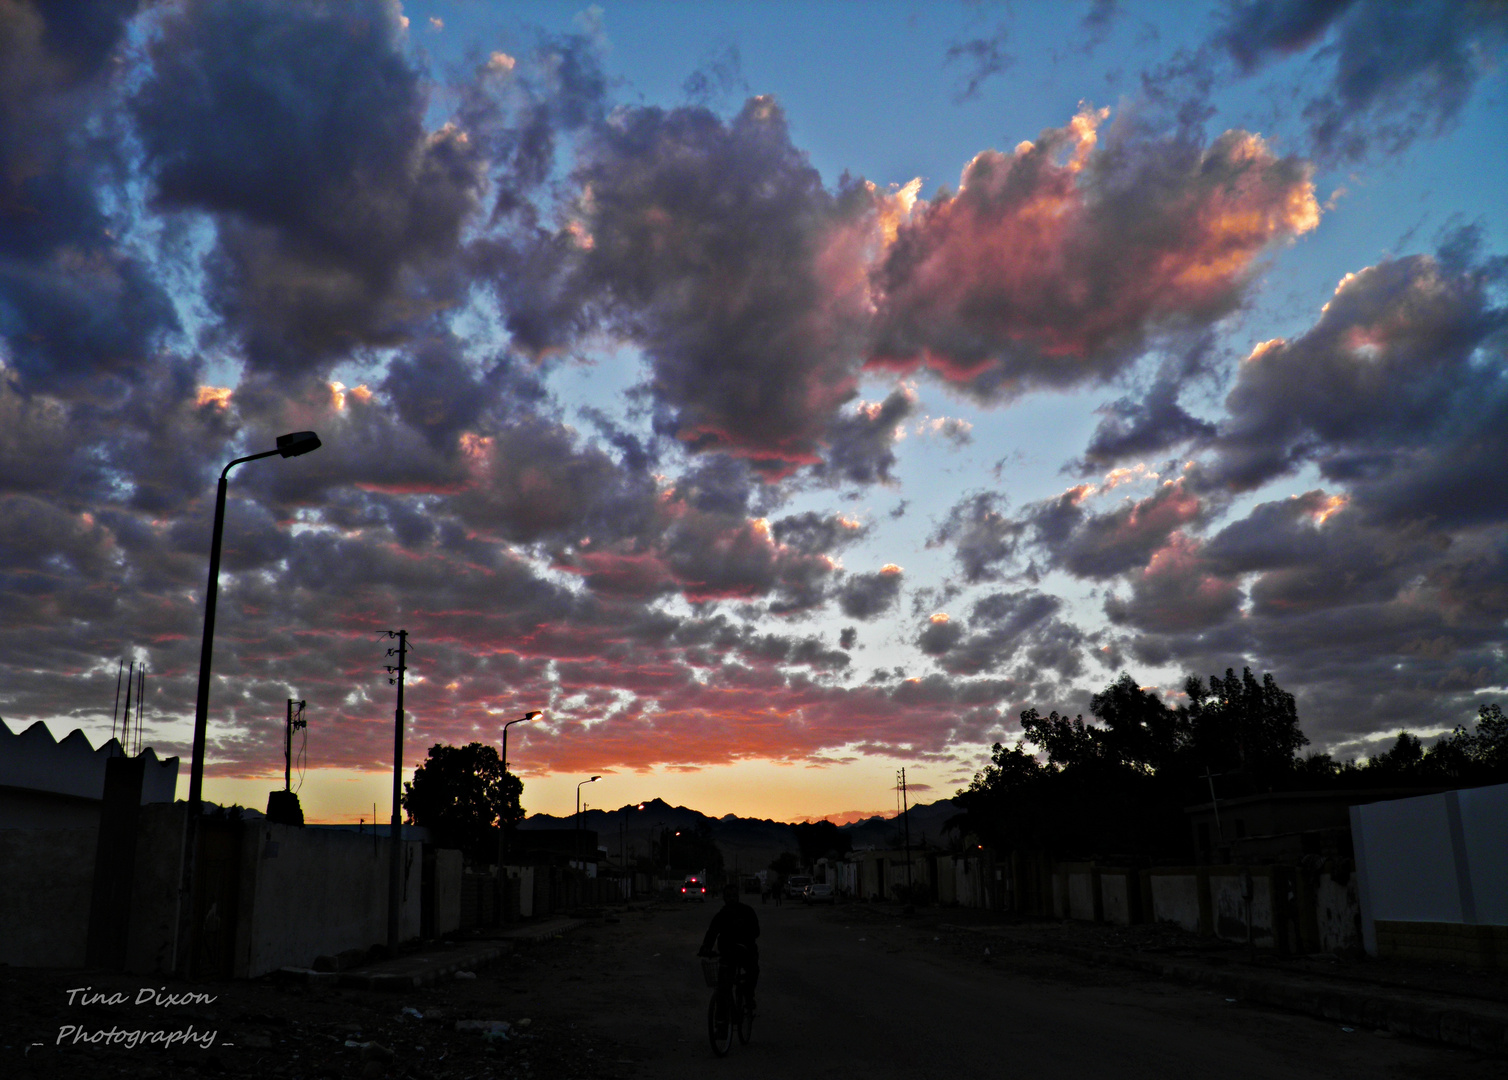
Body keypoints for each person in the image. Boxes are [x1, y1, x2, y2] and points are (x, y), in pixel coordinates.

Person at [697, 883, 760, 1014]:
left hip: (745, 952)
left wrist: (745, 940)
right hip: (727, 954)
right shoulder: (721, 915)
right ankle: (721, 1025)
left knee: (752, 971)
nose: (731, 899)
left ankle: (748, 997)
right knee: (722, 988)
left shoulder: (747, 912)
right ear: (724, 898)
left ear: (738, 897)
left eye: (734, 896)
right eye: (728, 896)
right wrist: (706, 948)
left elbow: (756, 931)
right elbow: (712, 933)